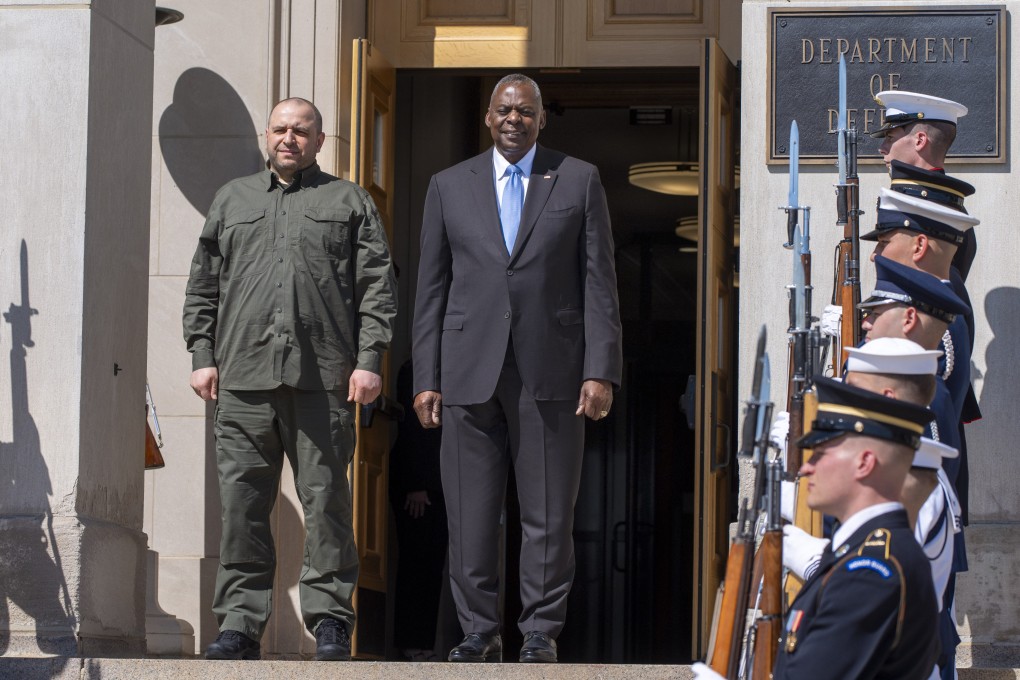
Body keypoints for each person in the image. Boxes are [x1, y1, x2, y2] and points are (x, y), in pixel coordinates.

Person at [411, 73, 622, 664]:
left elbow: (599, 283)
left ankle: (539, 632)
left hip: (552, 369)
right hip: (466, 370)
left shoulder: (577, 179)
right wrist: (425, 376)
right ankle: (477, 630)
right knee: (471, 514)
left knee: (548, 514)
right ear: (487, 116)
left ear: (540, 119)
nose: (513, 119)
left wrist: (600, 369)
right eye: (504, 110)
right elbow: (430, 289)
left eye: (525, 112)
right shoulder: (449, 186)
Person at [182, 97, 397, 661]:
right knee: (242, 505)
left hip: (322, 379)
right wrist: (202, 353)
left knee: (326, 501)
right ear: (267, 135)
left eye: (302, 130)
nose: (289, 138)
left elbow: (377, 287)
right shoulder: (232, 200)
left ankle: (329, 619)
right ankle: (239, 624)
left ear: (320, 141)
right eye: (280, 128)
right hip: (244, 379)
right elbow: (203, 285)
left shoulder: (349, 201)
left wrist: (369, 361)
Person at [696, 377, 939, 679]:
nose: (806, 467)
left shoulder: (869, 572)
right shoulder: (862, 556)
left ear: (864, 463)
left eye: (820, 454)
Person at [389, 359, 447, 662]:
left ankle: (423, 641)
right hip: (418, 486)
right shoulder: (415, 368)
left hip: (440, 486)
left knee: (432, 567)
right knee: (414, 563)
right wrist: (416, 483)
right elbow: (412, 424)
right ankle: (411, 642)